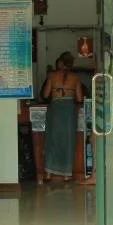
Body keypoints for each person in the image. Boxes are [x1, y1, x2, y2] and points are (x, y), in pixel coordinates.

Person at [40, 51, 83, 184]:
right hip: (69, 111)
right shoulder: (75, 78)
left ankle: (48, 173)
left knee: (52, 140)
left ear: (60, 63)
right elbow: (79, 98)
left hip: (55, 109)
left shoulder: (52, 76)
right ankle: (66, 175)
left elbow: (45, 94)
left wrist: (56, 91)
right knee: (68, 141)